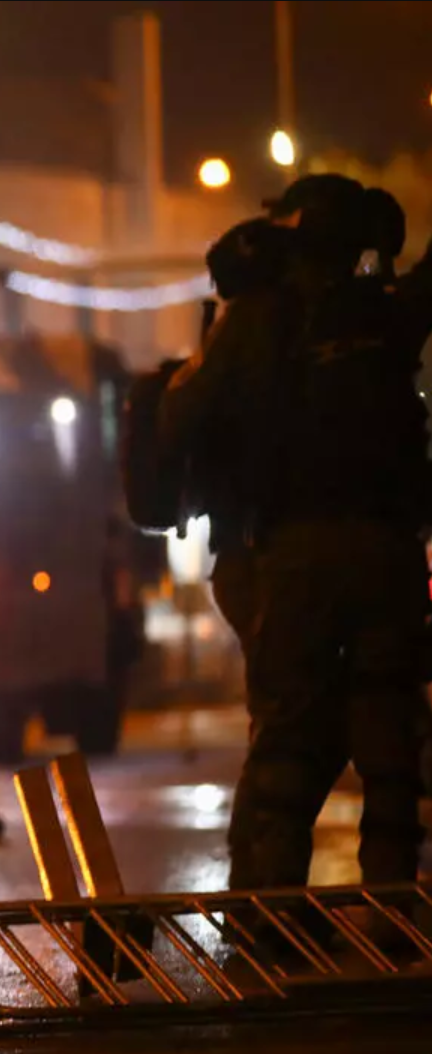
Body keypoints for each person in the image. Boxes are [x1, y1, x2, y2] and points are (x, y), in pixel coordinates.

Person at [159, 174, 432, 918]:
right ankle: (394, 916)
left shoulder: (254, 321)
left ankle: (268, 920)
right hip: (388, 556)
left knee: (284, 741)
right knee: (388, 743)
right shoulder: (386, 316)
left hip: (290, 559)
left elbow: (182, 419)